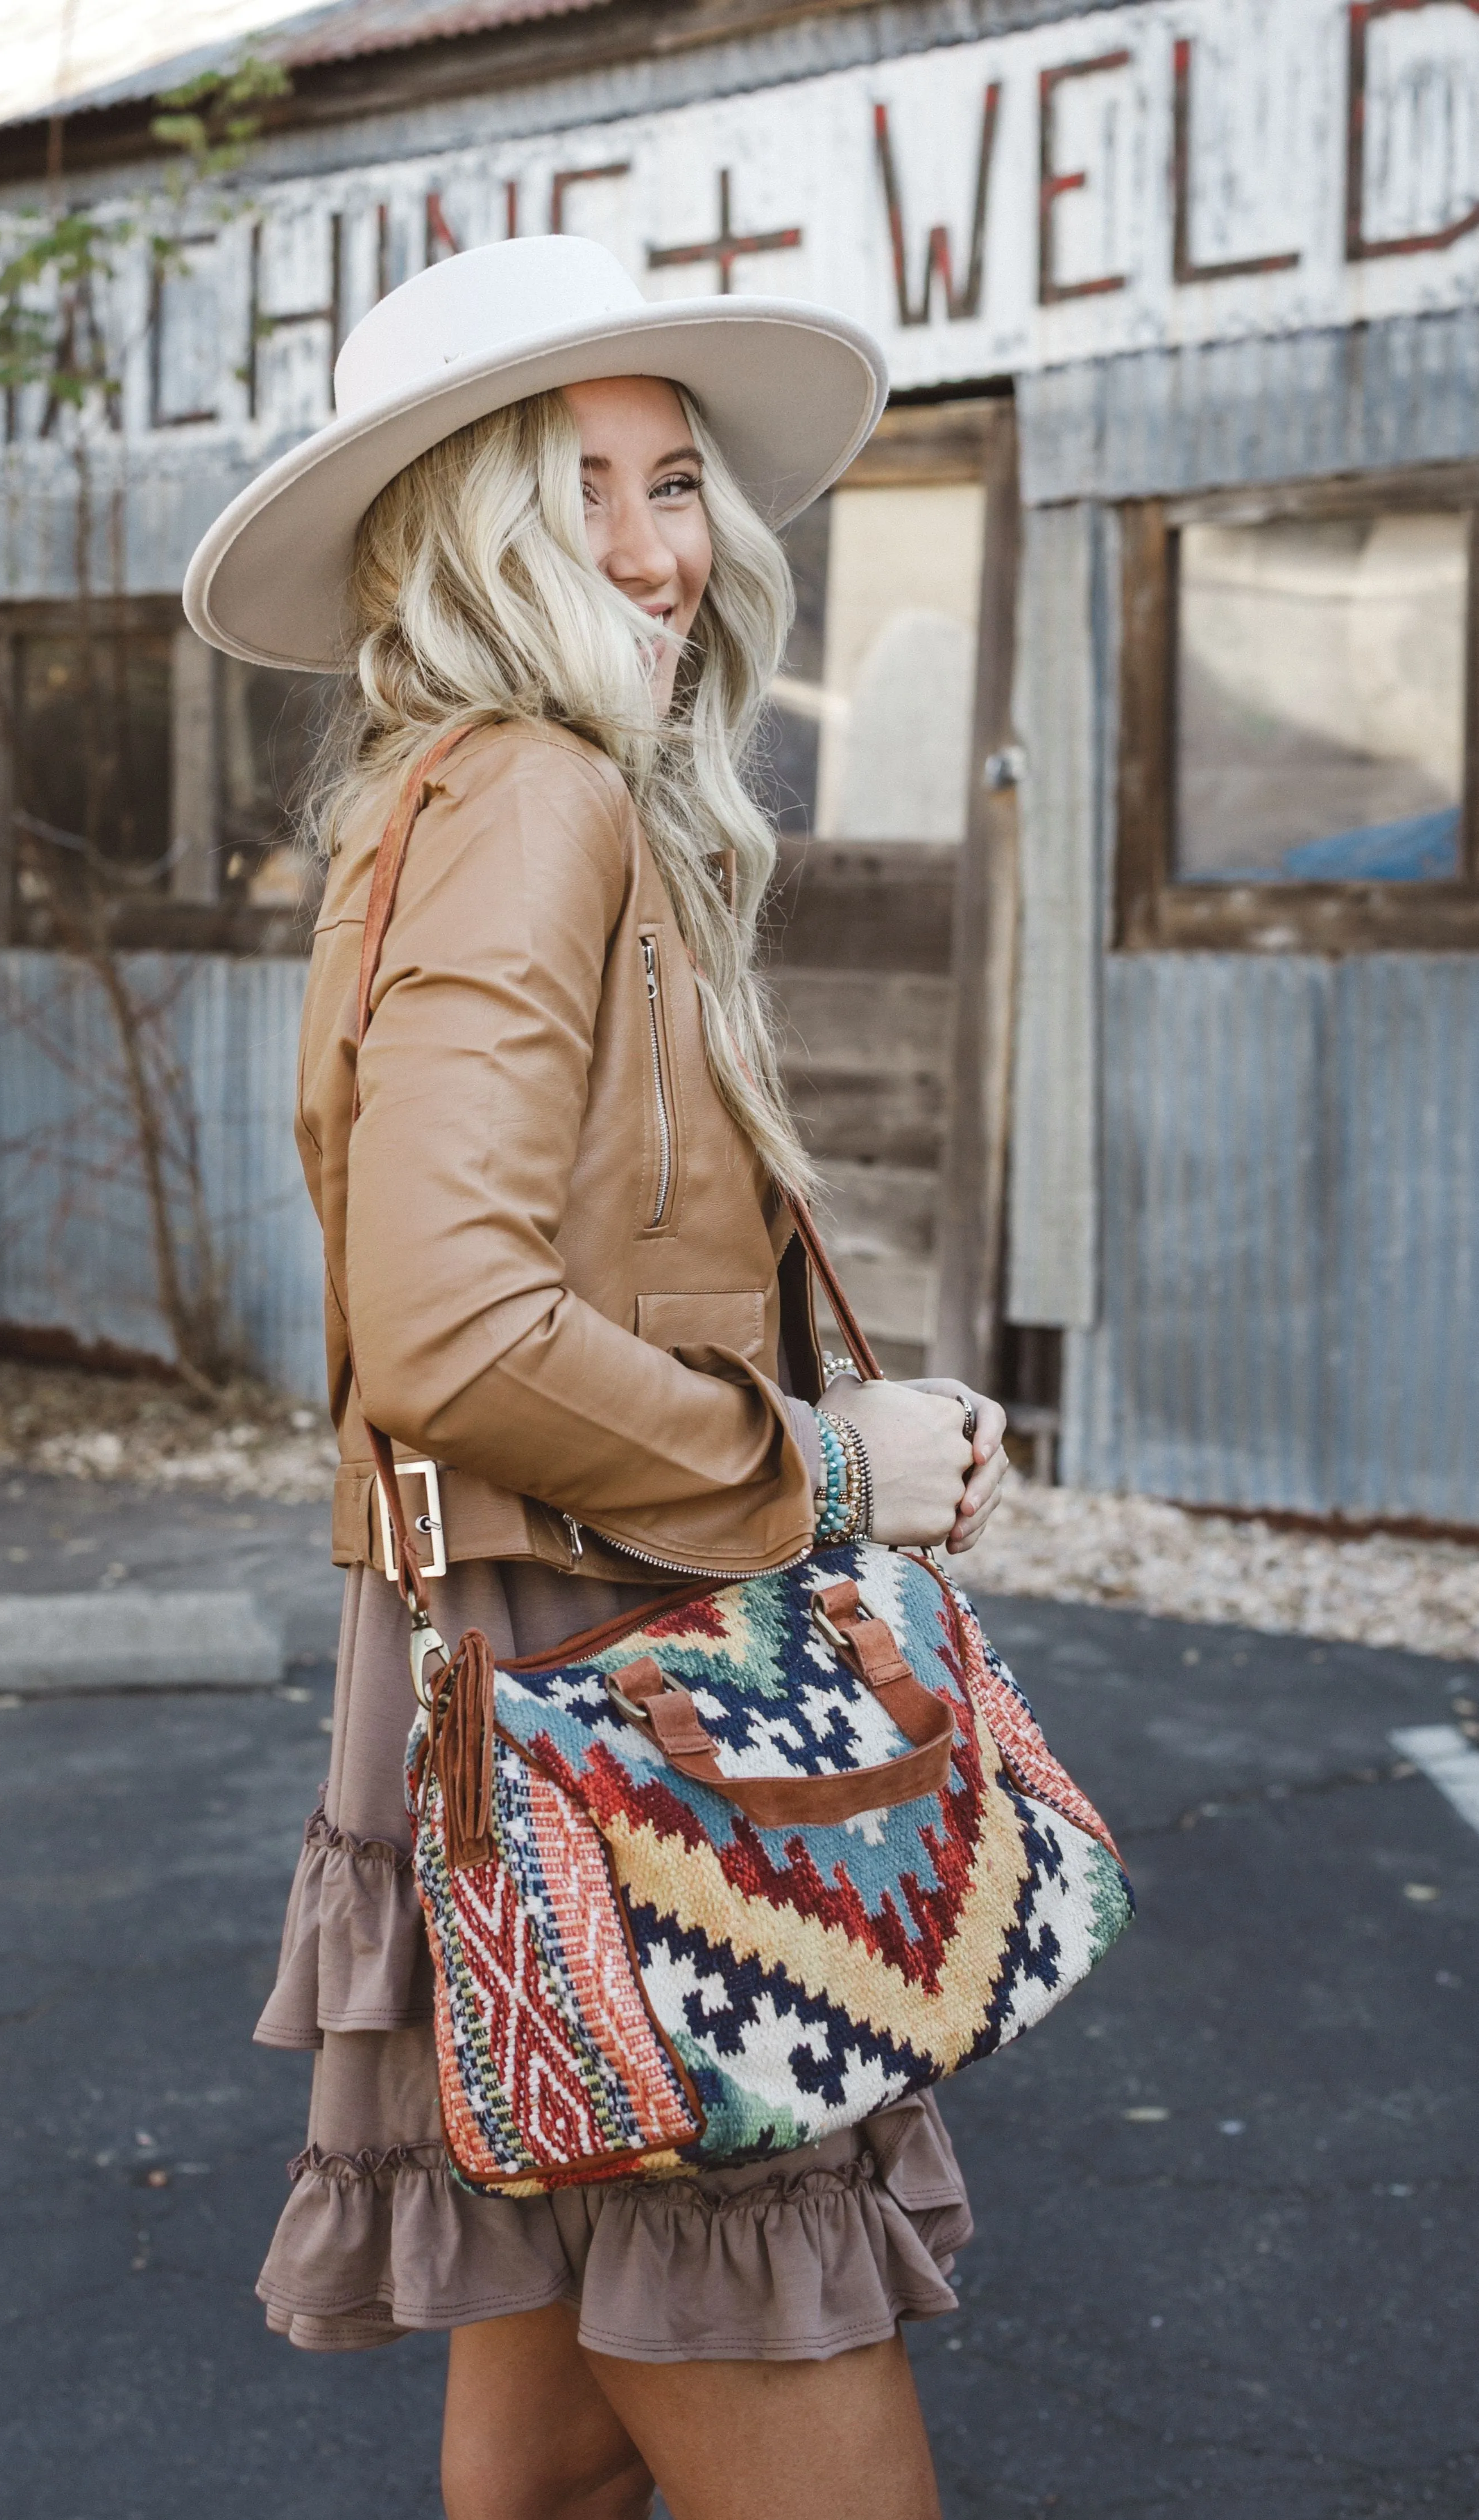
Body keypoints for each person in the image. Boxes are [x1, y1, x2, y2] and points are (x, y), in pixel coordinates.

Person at [185, 236, 1010, 2520]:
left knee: (548, 2462)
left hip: (503, 1664)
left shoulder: (429, 798)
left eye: (678, 484)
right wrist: (837, 1467)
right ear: (465, 530)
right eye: (591, 495)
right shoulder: (537, 791)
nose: (666, 552)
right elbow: (448, 1323)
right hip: (615, 1700)